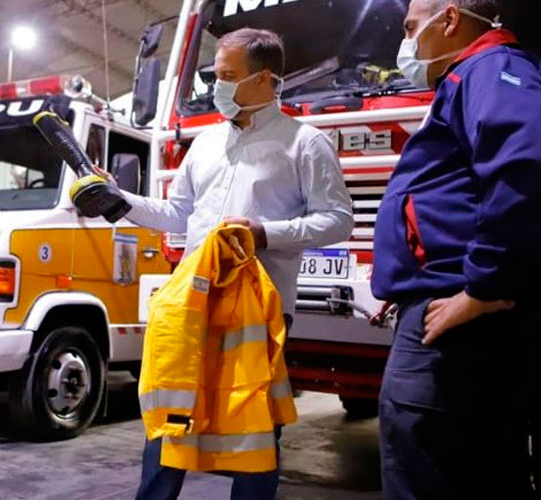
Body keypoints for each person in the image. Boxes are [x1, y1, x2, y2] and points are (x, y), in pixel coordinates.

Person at [97, 27, 354, 500]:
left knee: (254, 426)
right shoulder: (206, 143)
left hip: (258, 309)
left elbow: (337, 220)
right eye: (214, 75)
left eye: (227, 76)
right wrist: (118, 202)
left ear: (264, 79)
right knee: (170, 419)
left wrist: (265, 233)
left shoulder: (305, 144)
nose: (216, 86)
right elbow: (178, 214)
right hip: (192, 304)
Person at [372, 1, 541, 498]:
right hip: (453, 301)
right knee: (481, 469)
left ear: (450, 19)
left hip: (463, 322)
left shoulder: (493, 69)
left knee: (428, 467)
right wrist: (409, 277)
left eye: (412, 28)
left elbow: (525, 165)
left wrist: (484, 285)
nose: (407, 43)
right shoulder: (479, 75)